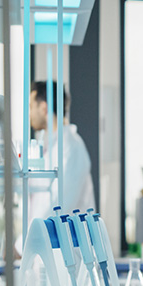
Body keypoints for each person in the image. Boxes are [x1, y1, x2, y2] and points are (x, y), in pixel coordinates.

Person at [26, 80, 95, 223]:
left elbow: (59, 203)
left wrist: (23, 242)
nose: (29, 113)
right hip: (44, 238)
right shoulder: (50, 146)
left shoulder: (71, 147)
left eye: (31, 107)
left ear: (44, 108)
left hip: (65, 241)